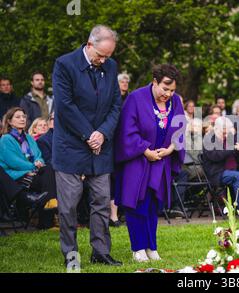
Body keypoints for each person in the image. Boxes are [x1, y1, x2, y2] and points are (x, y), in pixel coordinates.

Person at [52, 25, 122, 266]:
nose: (103, 61)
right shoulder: (64, 64)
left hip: (100, 146)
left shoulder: (110, 67)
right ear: (89, 44)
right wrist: (89, 134)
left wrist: (102, 133)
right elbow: (65, 105)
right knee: (69, 206)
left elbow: (115, 105)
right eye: (100, 55)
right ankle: (71, 255)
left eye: (108, 56)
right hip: (70, 146)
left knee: (102, 201)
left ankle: (101, 252)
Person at [114, 64, 186, 263]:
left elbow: (179, 129)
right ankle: (138, 248)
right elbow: (127, 130)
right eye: (165, 88)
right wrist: (145, 150)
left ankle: (151, 246)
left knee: (154, 205)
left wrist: (171, 149)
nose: (168, 94)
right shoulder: (135, 98)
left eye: (172, 90)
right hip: (137, 160)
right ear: (155, 82)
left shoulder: (176, 102)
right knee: (137, 204)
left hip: (161, 160)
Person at [0, 107, 57, 228]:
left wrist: (39, 162)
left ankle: (46, 219)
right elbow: (13, 162)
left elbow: (39, 156)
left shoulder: (29, 138)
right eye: (18, 117)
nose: (22, 119)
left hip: (33, 175)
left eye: (24, 117)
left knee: (49, 171)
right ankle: (46, 221)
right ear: (9, 121)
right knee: (48, 179)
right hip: (16, 177)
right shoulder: (6, 139)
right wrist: (33, 167)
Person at [202, 117, 239, 211]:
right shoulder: (209, 140)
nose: (226, 134)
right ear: (217, 129)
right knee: (238, 176)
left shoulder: (228, 138)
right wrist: (233, 148)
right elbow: (215, 156)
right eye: (224, 131)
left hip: (233, 170)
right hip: (217, 173)